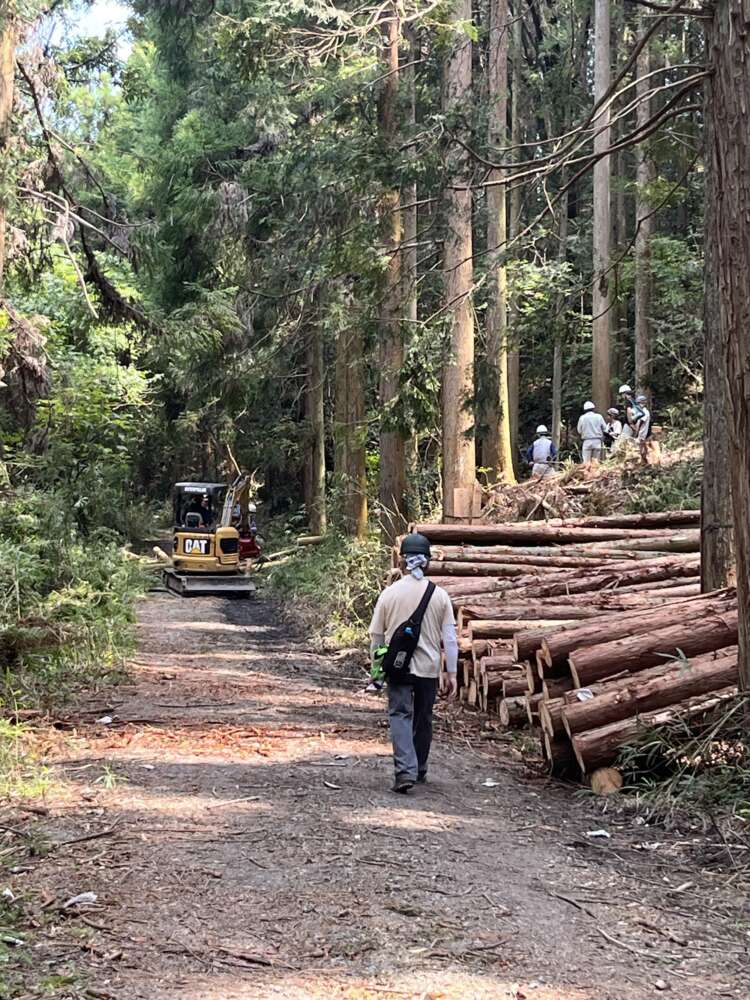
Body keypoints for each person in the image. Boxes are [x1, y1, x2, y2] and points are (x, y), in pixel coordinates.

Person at [368, 533, 458, 793]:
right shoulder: (440, 596)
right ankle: (418, 769)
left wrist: (376, 673)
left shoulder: (389, 594)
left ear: (402, 560)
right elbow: (450, 640)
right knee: (423, 718)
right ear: (427, 562)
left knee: (400, 715)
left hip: (398, 668)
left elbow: (376, 639)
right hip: (429, 669)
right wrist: (451, 672)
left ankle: (404, 771)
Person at [576, 401, 607, 469]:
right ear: (593, 408)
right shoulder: (599, 416)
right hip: (597, 441)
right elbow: (605, 428)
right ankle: (595, 476)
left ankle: (587, 477)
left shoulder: (582, 418)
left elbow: (579, 430)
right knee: (596, 463)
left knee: (586, 463)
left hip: (587, 441)